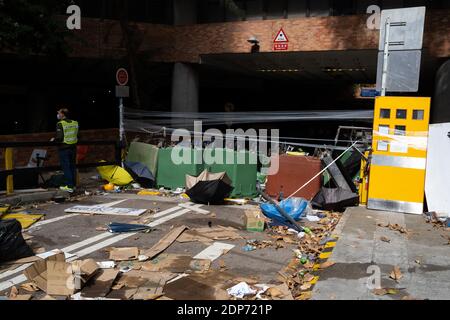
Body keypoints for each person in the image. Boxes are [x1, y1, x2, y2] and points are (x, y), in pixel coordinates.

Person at [53, 108, 79, 193]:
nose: (58, 115)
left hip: (64, 148)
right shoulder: (75, 123)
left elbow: (60, 138)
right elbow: (78, 135)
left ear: (63, 115)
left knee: (66, 167)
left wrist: (54, 140)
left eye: (59, 113)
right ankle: (73, 185)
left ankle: (69, 186)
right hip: (73, 148)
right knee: (72, 167)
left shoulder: (60, 124)